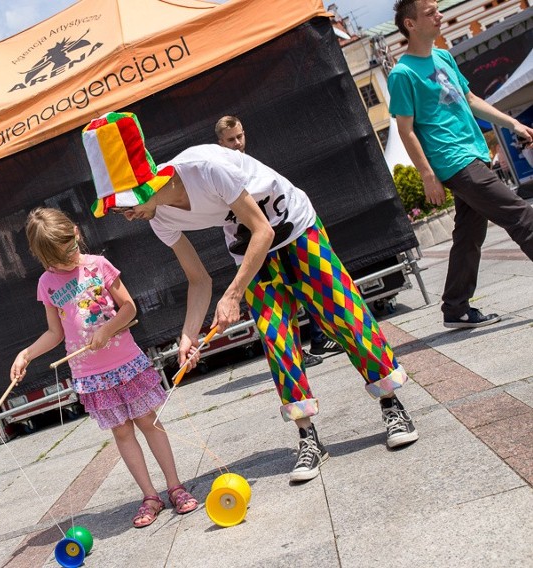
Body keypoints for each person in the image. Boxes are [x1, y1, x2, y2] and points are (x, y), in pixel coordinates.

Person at [82, 112, 418, 483]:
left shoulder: (206, 167)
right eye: (116, 210)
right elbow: (198, 280)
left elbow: (263, 230)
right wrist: (188, 335)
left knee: (343, 315)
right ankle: (307, 437)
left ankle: (392, 404)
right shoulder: (158, 218)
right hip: (249, 247)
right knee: (276, 338)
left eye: (125, 205)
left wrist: (234, 294)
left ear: (146, 185)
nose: (126, 216)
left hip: (295, 227)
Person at [10, 207, 198, 527]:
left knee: (148, 421)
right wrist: (26, 354)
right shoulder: (47, 283)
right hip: (90, 375)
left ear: (77, 234)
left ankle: (175, 486)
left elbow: (129, 308)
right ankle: (149, 495)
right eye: (57, 259)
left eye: (70, 250)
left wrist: (107, 329)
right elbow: (55, 333)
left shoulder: (98, 265)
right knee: (122, 432)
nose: (67, 260)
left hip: (125, 361)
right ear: (43, 259)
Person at [389, 0, 533, 329]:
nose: (439, 16)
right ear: (410, 24)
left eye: (439, 9)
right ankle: (456, 306)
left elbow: (469, 100)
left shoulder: (443, 56)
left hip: (473, 152)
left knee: (469, 234)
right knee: (521, 215)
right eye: (430, 12)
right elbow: (406, 130)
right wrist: (427, 175)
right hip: (454, 161)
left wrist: (513, 125)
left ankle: (455, 307)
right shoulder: (402, 74)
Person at [214, 116, 344, 366]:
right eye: (231, 140)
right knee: (279, 305)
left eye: (240, 136)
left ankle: (319, 337)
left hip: (283, 234)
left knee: (311, 285)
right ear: (220, 143)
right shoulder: (222, 171)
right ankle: (296, 351)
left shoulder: (251, 163)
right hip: (255, 244)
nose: (238, 143)